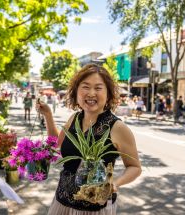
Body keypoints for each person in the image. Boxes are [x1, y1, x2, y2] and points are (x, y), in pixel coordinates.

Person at [36, 64, 141, 214]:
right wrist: (48, 115)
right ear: (76, 92)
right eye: (85, 87)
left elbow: (135, 167)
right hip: (61, 202)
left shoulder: (117, 127)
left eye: (98, 88)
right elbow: (56, 144)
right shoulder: (75, 118)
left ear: (108, 94)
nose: (91, 93)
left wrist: (114, 184)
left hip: (94, 209)